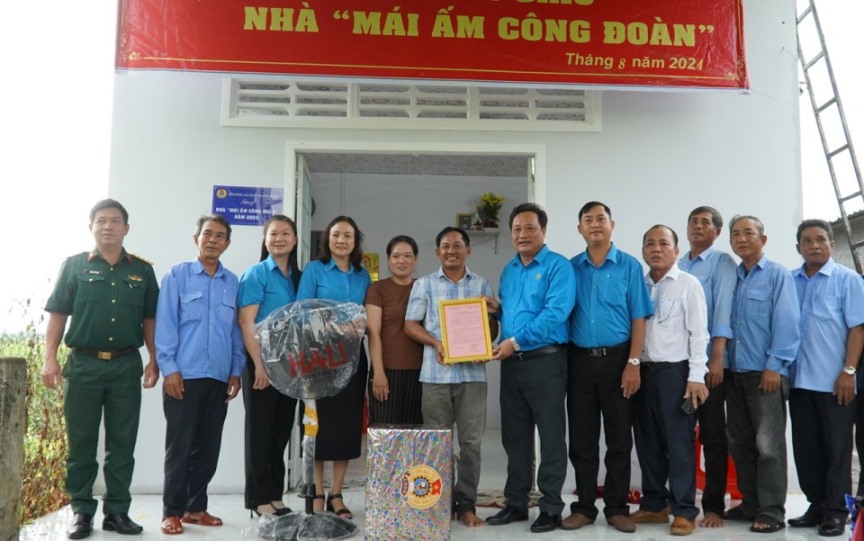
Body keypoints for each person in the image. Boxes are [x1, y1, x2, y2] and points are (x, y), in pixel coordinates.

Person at [42, 198, 159, 539]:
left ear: (126, 228)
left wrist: (154, 358)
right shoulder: (74, 266)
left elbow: (150, 318)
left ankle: (117, 511)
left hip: (125, 365)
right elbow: (57, 315)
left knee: (122, 443)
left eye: (115, 221)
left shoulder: (142, 270)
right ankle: (81, 511)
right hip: (83, 365)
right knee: (81, 444)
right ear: (91, 227)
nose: (108, 226)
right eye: (101, 221)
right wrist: (50, 357)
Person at [563, 201, 653, 534]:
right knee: (583, 439)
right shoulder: (570, 268)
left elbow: (638, 317)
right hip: (580, 361)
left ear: (612, 224)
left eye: (601, 219)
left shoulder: (629, 266)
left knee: (619, 439)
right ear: (580, 229)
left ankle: (616, 507)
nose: (595, 225)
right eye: (588, 220)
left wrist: (633, 363)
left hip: (619, 361)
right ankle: (585, 507)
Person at [486, 203, 575, 534]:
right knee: (515, 438)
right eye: (517, 229)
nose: (522, 235)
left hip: (546, 362)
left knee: (550, 438)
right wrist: (496, 311)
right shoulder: (509, 269)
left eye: (529, 228)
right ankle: (516, 503)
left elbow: (555, 314)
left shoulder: (558, 267)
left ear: (544, 231)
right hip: (512, 366)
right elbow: (511, 313)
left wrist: (515, 342)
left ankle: (551, 507)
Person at [154, 215, 245, 535]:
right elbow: (164, 326)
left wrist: (236, 371)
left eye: (220, 236)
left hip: (219, 377)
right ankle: (171, 511)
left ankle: (196, 508)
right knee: (180, 446)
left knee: (208, 447)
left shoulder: (232, 282)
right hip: (184, 375)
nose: (213, 240)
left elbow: (236, 332)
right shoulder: (177, 276)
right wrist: (170, 369)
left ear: (227, 243)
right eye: (207, 234)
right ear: (196, 238)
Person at [404, 227, 497, 528]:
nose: (451, 250)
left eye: (458, 245)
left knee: (471, 443)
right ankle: (439, 503)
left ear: (468, 250)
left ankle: (467, 504)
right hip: (435, 376)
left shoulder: (481, 285)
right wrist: (436, 343)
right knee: (437, 443)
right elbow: (410, 325)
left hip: (472, 376)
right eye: (445, 246)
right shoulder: (425, 285)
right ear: (437, 252)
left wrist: (488, 339)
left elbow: (492, 327)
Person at [630, 225, 710, 536]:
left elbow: (699, 333)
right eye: (649, 243)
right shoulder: (639, 285)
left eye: (664, 243)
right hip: (642, 373)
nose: (656, 248)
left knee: (679, 445)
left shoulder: (688, 284)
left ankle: (684, 510)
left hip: (674, 375)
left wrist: (695, 377)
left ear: (676, 251)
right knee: (647, 442)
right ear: (643, 252)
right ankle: (654, 505)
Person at [724, 215, 800, 533]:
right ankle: (750, 503)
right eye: (736, 234)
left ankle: (771, 510)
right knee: (739, 442)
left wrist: (775, 366)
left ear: (763, 239)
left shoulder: (778, 276)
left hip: (764, 374)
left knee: (768, 445)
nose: (741, 239)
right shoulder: (731, 277)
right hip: (733, 374)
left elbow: (787, 323)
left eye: (749, 233)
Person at [788, 219, 864, 536]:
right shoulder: (789, 281)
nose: (814, 245)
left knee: (837, 450)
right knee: (806, 449)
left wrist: (849, 371)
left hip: (836, 383)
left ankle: (836, 511)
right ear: (798, 247)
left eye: (821, 240)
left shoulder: (848, 280)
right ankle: (816, 505)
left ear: (831, 245)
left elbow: (857, 329)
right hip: (798, 382)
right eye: (808, 240)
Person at [296, 215, 371, 519]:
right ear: (327, 239)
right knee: (318, 428)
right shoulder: (315, 270)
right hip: (318, 359)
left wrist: (356, 326)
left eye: (348, 236)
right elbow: (302, 312)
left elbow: (367, 316)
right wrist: (337, 327)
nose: (342, 240)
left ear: (355, 242)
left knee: (345, 429)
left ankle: (337, 494)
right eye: (336, 235)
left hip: (353, 361)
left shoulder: (362, 275)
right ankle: (315, 493)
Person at [237, 215, 302, 517]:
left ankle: (275, 495)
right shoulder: (257, 274)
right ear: (265, 240)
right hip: (261, 365)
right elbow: (246, 321)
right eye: (273, 234)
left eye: (286, 233)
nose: (279, 238)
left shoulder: (296, 278)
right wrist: (259, 365)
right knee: (259, 433)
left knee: (280, 433)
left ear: (295, 240)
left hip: (289, 367)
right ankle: (258, 500)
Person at [678, 206, 737, 528]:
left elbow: (723, 311)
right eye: (693, 222)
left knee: (713, 437)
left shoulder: (721, 263)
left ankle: (714, 506)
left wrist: (717, 358)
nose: (698, 227)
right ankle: (682, 503)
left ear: (716, 231)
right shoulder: (679, 262)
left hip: (709, 365)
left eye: (705, 222)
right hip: (679, 366)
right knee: (681, 437)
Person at [365, 235, 424, 424]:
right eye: (396, 256)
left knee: (415, 437)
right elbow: (373, 333)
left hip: (421, 373)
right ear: (389, 260)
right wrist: (378, 373)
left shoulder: (424, 287)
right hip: (387, 371)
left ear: (416, 259)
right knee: (386, 435)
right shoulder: (377, 289)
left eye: (408, 256)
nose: (401, 261)